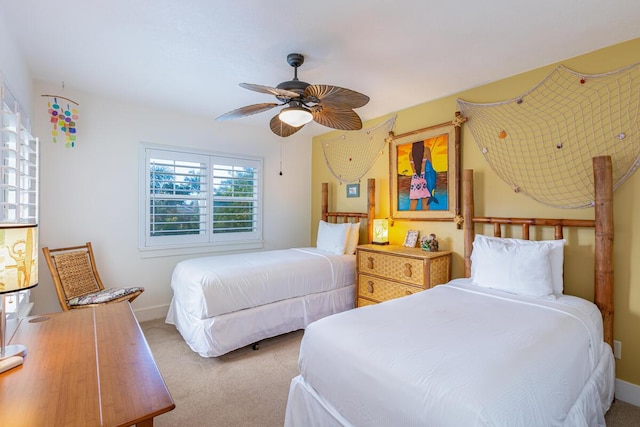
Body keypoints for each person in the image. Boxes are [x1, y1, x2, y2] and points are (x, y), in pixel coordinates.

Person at [409, 141, 437, 210]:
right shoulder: (426, 150)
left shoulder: (410, 154)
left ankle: (410, 220)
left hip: (415, 178)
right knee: (425, 206)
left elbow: (413, 169)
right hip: (425, 177)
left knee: (413, 204)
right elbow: (430, 166)